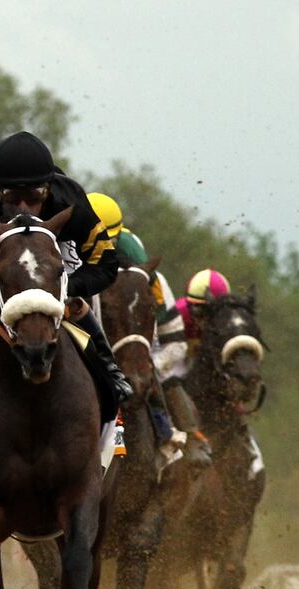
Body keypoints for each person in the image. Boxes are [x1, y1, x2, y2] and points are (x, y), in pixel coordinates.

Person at [0, 131, 132, 426]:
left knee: (76, 305)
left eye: (34, 197)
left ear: (48, 191)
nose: (23, 208)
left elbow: (105, 263)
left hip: (53, 243)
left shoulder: (72, 205)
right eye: (12, 198)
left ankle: (110, 372)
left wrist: (67, 290)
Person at [87, 192, 210, 469]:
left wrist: (147, 363)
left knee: (159, 377)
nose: (98, 248)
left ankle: (181, 440)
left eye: (105, 241)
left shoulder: (144, 273)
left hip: (145, 349)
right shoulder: (69, 256)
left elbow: (176, 342)